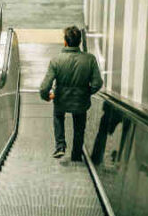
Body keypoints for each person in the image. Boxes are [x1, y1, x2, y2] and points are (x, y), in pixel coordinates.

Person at [39, 26, 103, 161]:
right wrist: (86, 92)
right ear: (80, 41)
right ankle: (76, 154)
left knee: (58, 117)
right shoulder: (90, 59)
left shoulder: (56, 60)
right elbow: (97, 83)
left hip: (61, 99)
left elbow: (45, 87)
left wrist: (47, 96)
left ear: (65, 42)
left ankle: (60, 146)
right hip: (81, 101)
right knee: (79, 126)